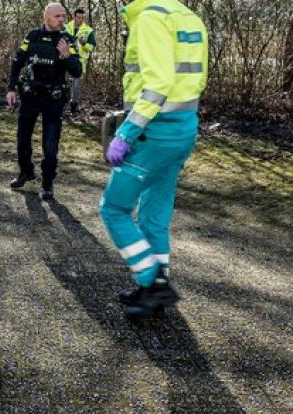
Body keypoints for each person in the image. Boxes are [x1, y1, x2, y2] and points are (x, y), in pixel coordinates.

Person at [100, 0, 208, 319]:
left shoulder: (150, 19)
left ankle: (153, 281)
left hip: (154, 132)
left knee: (114, 208)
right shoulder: (188, 17)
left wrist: (127, 132)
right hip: (184, 128)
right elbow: (192, 81)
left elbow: (158, 84)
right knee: (153, 214)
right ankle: (154, 291)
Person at [6, 3, 82, 200]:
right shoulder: (32, 36)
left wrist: (66, 55)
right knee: (22, 139)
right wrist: (11, 88)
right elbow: (17, 61)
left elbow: (77, 71)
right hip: (30, 95)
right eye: (57, 16)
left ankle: (47, 183)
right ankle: (26, 172)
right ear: (46, 16)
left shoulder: (67, 40)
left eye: (63, 16)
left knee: (50, 144)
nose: (62, 20)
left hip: (53, 99)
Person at [65, 8, 96, 115]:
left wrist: (84, 44)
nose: (81, 20)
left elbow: (91, 48)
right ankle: (62, 106)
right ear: (74, 17)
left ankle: (74, 107)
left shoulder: (88, 30)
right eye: (78, 17)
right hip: (65, 59)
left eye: (83, 18)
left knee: (76, 85)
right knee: (63, 82)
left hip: (79, 61)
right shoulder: (66, 27)